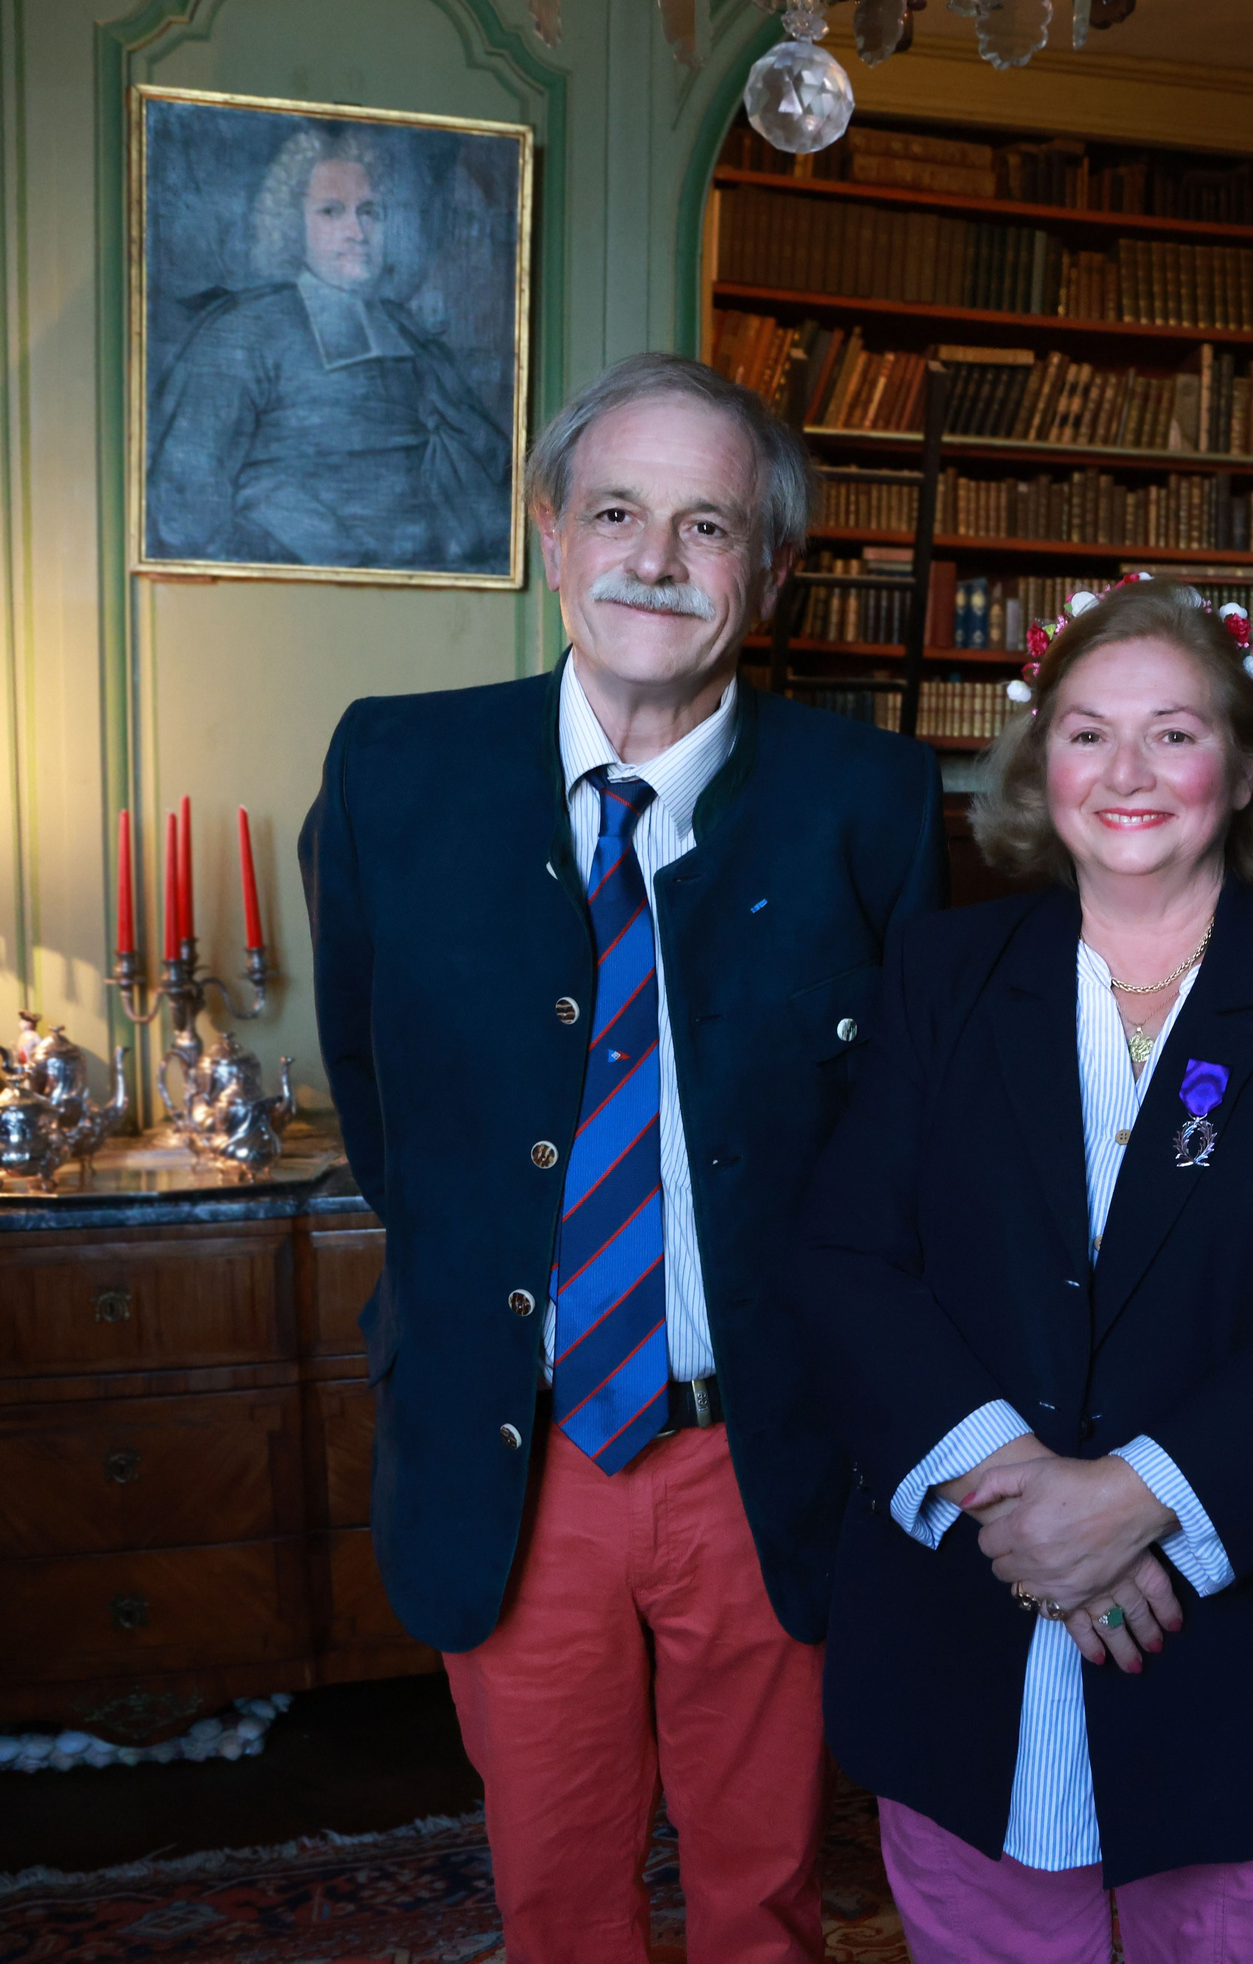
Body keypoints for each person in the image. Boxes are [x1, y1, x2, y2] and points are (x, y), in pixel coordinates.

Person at [300, 352, 944, 1964]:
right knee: (559, 1896)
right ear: (550, 533)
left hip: (766, 1450)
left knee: (763, 1898)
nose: (656, 559)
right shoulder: (396, 769)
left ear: (770, 571)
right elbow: (385, 1106)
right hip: (519, 1448)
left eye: (707, 524)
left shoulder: (871, 801)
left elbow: (908, 1147)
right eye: (617, 512)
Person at [788, 578, 1253, 1964]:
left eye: (1174, 734)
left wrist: (1141, 1500)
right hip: (970, 1609)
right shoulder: (936, 974)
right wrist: (1027, 1504)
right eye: (1087, 734)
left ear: (1248, 761)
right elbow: (848, 1258)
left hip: (1235, 1649)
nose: (1127, 774)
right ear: (1040, 762)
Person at [149, 124, 513, 572]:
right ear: (290, 221)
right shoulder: (244, 333)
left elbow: (491, 474)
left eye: (370, 212)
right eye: (331, 212)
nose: (356, 232)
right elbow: (185, 507)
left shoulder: (409, 336)